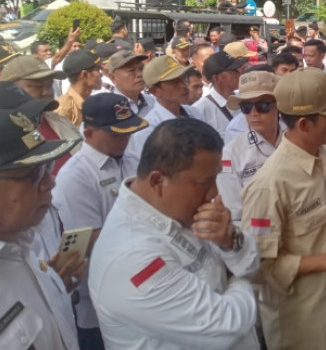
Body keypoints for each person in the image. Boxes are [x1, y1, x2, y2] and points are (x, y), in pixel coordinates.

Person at [88, 119, 259, 348]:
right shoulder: (132, 257)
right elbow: (227, 326)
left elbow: (248, 259)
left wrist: (230, 242)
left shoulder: (177, 210)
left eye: (216, 179)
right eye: (204, 183)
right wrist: (242, 276)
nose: (214, 193)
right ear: (158, 181)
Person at [241, 68, 326, 350]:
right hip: (306, 331)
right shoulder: (269, 185)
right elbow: (258, 266)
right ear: (304, 124)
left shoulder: (324, 153)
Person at [54, 93, 148, 349]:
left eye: (129, 132)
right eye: (117, 134)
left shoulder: (133, 159)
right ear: (89, 134)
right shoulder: (75, 175)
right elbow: (94, 239)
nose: (125, 139)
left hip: (142, 287)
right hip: (101, 299)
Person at [0, 104, 84, 350]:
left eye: (47, 168)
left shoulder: (25, 246)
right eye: (33, 174)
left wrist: (52, 285)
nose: (50, 182)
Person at [122, 55, 204, 177]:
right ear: (155, 91)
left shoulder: (195, 113)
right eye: (174, 82)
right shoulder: (147, 131)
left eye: (183, 79)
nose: (183, 86)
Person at [217, 71, 282, 222]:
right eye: (246, 107)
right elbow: (235, 214)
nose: (253, 113)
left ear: (278, 105)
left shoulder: (294, 138)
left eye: (263, 106)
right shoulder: (231, 153)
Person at [1, 56, 82, 174]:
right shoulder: (4, 136)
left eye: (49, 85)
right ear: (10, 87)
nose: (47, 91)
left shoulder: (60, 120)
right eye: (37, 86)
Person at [56, 50, 103, 126]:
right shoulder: (64, 109)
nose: (101, 74)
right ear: (84, 75)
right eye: (97, 70)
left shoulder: (89, 100)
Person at [107, 50, 155, 116]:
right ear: (113, 77)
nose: (139, 74)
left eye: (141, 68)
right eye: (131, 70)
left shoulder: (152, 101)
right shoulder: (107, 109)